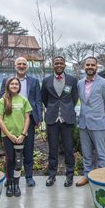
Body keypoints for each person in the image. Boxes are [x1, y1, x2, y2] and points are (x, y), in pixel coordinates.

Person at [0, 57, 42, 187]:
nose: (22, 66)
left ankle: (29, 176)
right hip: (10, 121)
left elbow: (38, 100)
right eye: (19, 64)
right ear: (15, 65)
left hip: (28, 120)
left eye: (24, 64)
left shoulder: (34, 81)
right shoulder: (7, 81)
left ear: (27, 66)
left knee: (28, 150)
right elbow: (2, 97)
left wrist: (39, 117)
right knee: (11, 154)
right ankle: (10, 178)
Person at [41, 56, 78, 187]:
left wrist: (66, 109)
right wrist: (53, 109)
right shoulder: (46, 81)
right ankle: (52, 175)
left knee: (68, 149)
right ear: (53, 65)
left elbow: (74, 98)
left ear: (64, 65)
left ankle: (69, 175)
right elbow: (44, 98)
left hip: (67, 119)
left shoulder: (72, 80)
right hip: (52, 119)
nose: (58, 65)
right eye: (56, 63)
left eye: (61, 63)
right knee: (52, 149)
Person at [76, 57, 105, 187]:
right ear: (84, 67)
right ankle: (87, 175)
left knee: (101, 153)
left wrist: (100, 116)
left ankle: (102, 177)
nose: (90, 67)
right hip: (83, 123)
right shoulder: (80, 83)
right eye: (87, 65)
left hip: (98, 123)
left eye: (93, 64)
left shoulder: (104, 83)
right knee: (86, 153)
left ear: (97, 67)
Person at [0, 77, 32, 197]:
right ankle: (10, 182)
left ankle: (16, 183)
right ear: (8, 85)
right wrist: (8, 135)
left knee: (18, 161)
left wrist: (23, 134)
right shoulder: (3, 100)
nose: (14, 86)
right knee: (10, 159)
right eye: (12, 84)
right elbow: (0, 120)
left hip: (20, 136)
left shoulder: (23, 100)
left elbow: (27, 118)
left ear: (19, 86)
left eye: (17, 84)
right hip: (8, 136)